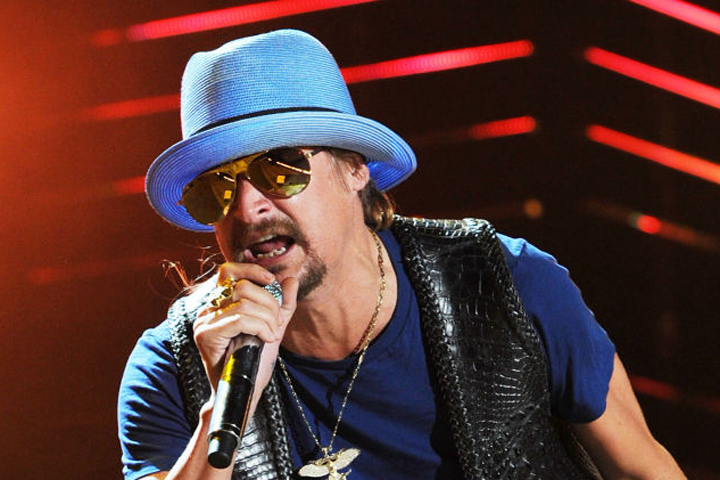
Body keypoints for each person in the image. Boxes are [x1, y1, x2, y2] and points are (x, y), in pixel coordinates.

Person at [118, 29, 686, 480]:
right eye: (216, 188)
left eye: (280, 169)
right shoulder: (172, 365)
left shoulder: (505, 284)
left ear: (354, 169)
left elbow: (643, 469)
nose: (248, 206)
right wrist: (224, 406)